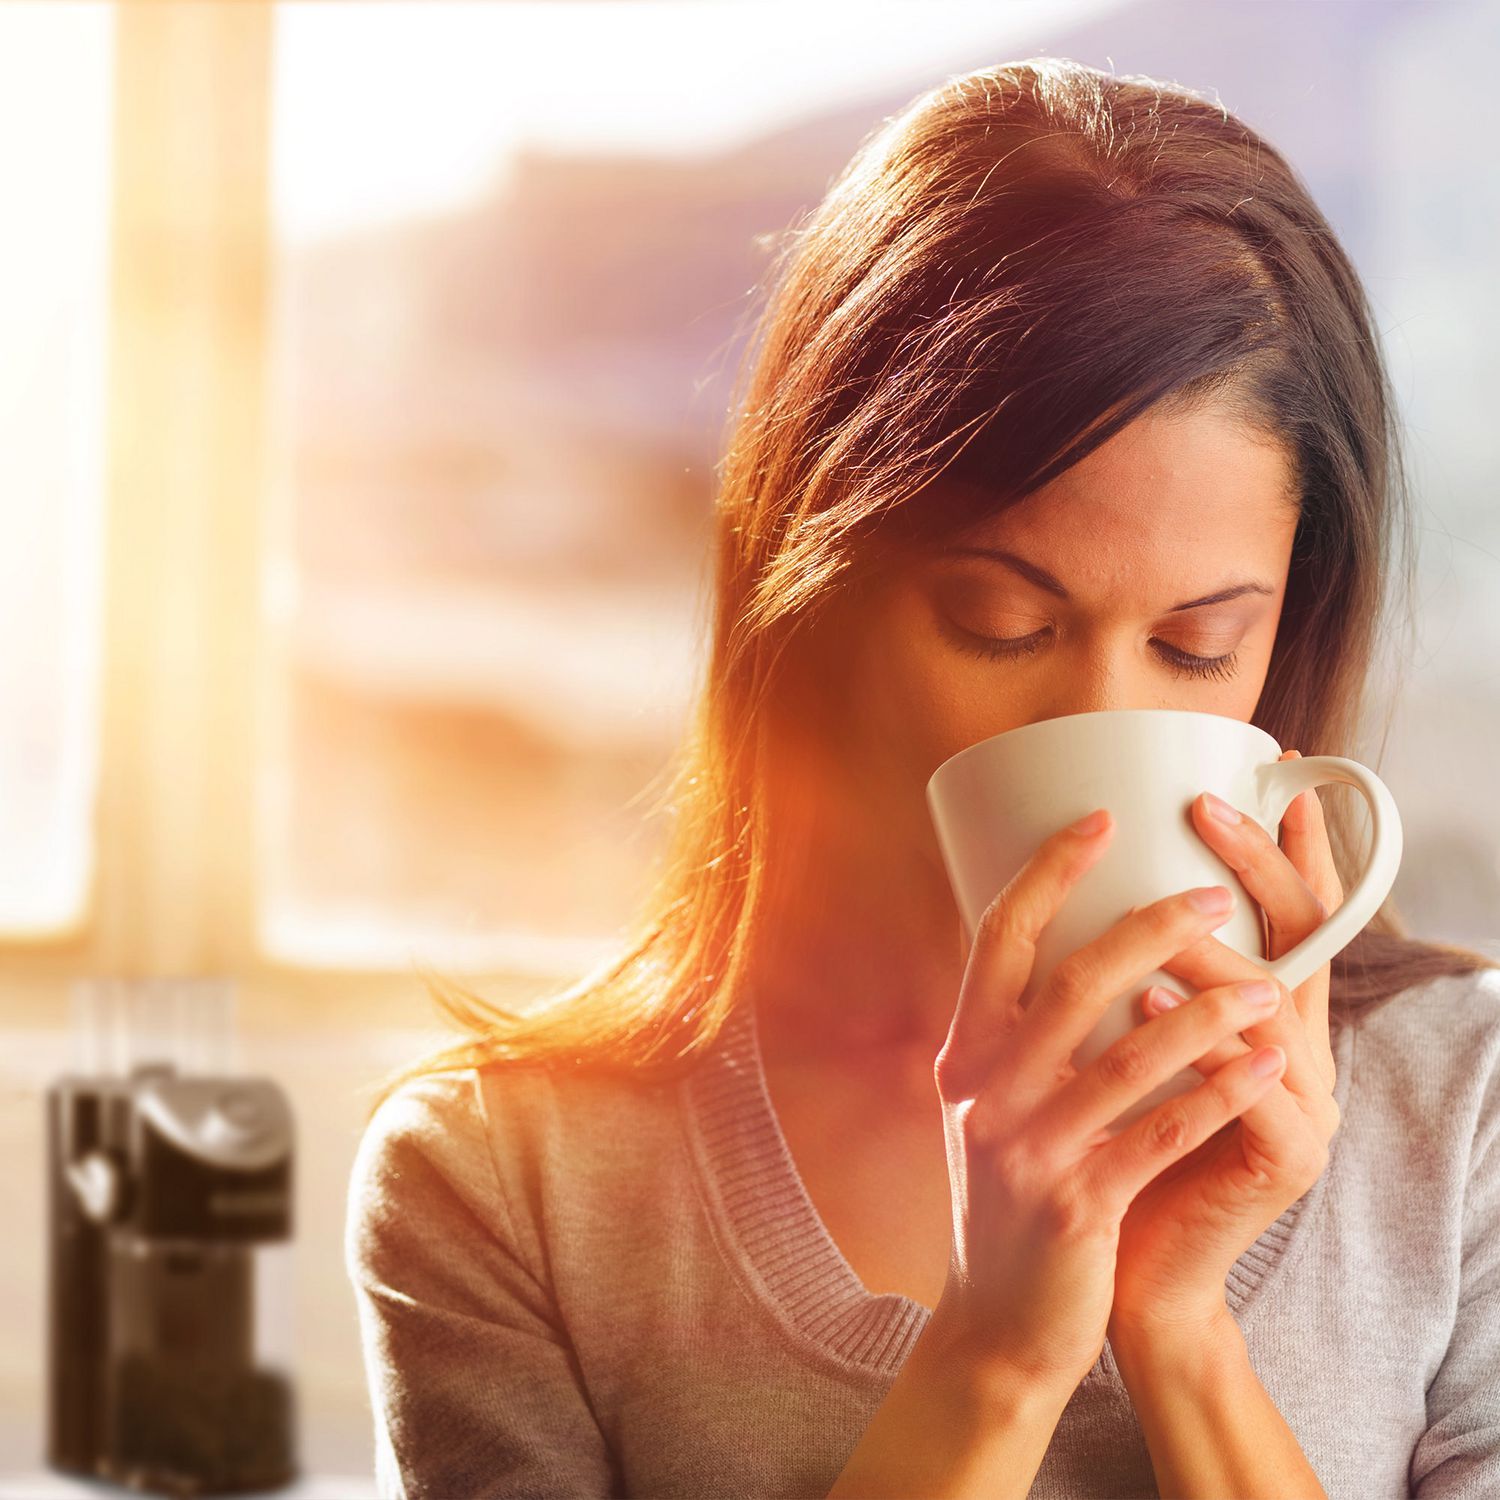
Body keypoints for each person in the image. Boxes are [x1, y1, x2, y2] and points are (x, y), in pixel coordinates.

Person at [344, 57, 1500, 1499]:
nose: (1098, 721)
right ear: (814, 589)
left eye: (1199, 645)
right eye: (1001, 624)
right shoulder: (506, 1188)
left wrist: (1184, 1336)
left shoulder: (1458, 1113)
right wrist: (997, 1362)